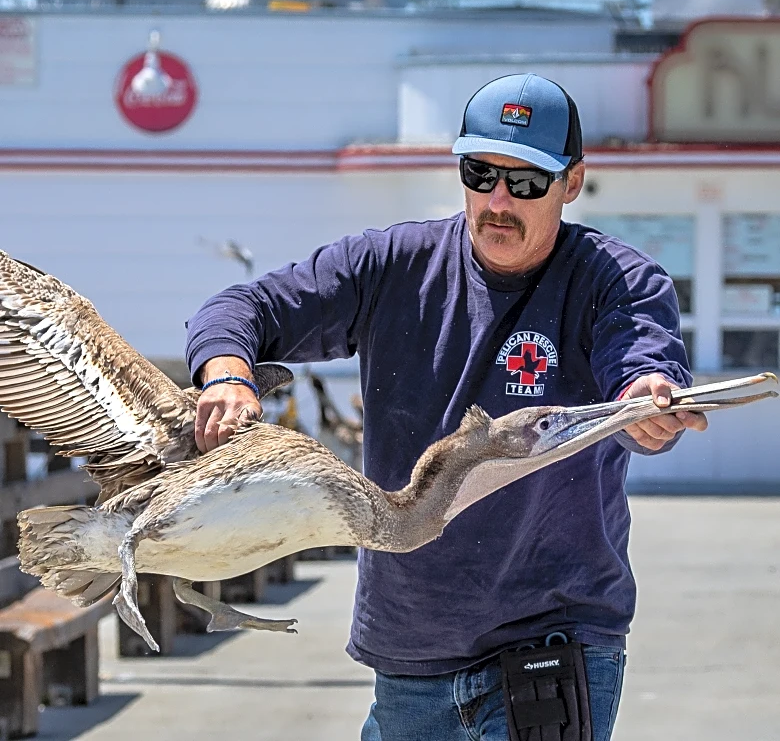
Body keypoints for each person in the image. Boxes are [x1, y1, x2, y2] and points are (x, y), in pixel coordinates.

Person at [185, 73, 707, 741]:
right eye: (480, 172)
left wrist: (646, 407)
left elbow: (643, 376)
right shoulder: (393, 265)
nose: (497, 200)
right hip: (410, 647)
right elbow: (243, 309)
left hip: (552, 637)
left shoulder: (617, 282)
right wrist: (227, 375)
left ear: (571, 183)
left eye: (525, 182)